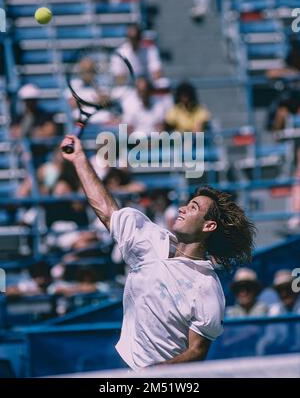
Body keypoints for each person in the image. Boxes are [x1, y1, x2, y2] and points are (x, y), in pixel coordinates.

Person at [60, 134, 255, 369]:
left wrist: (153, 374)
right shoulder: (149, 239)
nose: (183, 208)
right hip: (122, 363)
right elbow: (106, 210)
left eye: (193, 207)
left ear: (208, 226)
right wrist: (80, 159)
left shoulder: (207, 288)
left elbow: (197, 351)